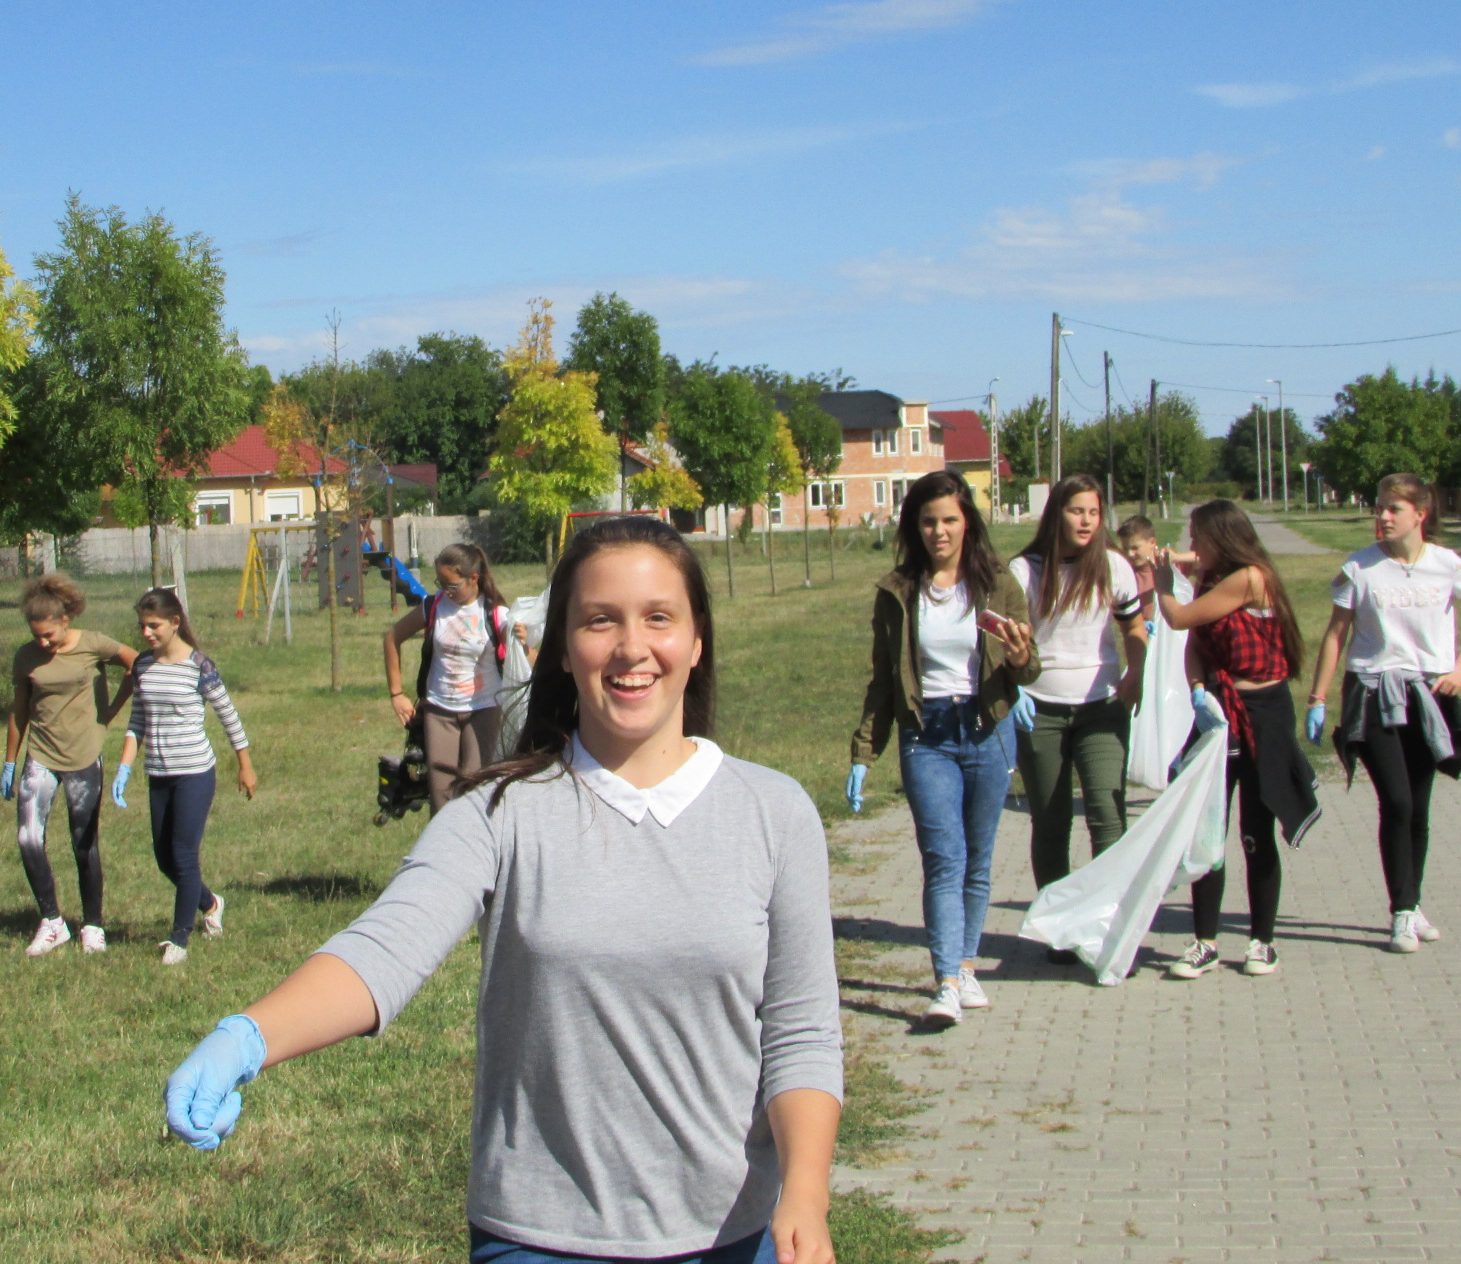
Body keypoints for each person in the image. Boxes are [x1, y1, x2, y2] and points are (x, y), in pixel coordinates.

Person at [167, 517, 844, 1264]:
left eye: (659, 617)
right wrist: (247, 1038)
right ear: (562, 649)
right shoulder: (498, 813)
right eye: (600, 620)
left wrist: (805, 1194)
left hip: (732, 1237)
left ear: (697, 640)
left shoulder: (773, 813)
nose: (631, 647)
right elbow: (384, 950)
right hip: (537, 1237)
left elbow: (801, 1033)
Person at [849, 471, 1039, 1028]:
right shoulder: (897, 592)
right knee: (943, 857)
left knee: (978, 858)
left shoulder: (998, 584)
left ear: (967, 523)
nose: (940, 532)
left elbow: (1030, 666)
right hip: (926, 734)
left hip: (986, 730)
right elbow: (883, 680)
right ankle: (947, 982)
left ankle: (966, 965)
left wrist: (1021, 657)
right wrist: (864, 751)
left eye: (950, 520)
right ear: (915, 526)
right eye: (929, 521)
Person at [1307, 473, 1461, 954]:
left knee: (1418, 805)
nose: (1384, 516)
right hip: (1373, 693)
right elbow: (1336, 634)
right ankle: (1401, 912)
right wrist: (1318, 698)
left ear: (1420, 514)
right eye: (1380, 506)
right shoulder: (1360, 567)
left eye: (1394, 508)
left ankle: (1411, 902)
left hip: (1428, 695)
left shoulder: (1446, 565)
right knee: (1396, 801)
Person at [1151, 501, 1322, 979]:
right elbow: (1194, 644)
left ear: (1220, 538)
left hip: (1264, 713)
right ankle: (1204, 942)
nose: (1192, 545)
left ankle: (1262, 941)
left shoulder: (1250, 577)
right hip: (1221, 710)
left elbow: (1179, 618)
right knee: (1207, 828)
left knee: (1255, 830)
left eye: (1197, 536)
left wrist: (1163, 586)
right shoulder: (1213, 577)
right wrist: (1198, 688)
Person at [1010, 476, 1149, 919]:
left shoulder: (1114, 566)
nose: (1086, 521)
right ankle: (1058, 924)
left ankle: (1106, 920)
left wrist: (1135, 673)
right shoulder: (1025, 570)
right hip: (1040, 712)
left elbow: (1134, 627)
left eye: (1093, 512)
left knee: (1107, 811)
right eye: (1076, 511)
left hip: (1103, 708)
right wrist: (1015, 687)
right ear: (1057, 514)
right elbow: (1006, 642)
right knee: (1051, 821)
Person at [111, 587, 258, 966]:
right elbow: (137, 720)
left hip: (194, 773)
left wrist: (244, 764)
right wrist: (124, 767)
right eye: (142, 626)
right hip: (158, 775)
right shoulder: (142, 666)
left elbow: (229, 716)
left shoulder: (199, 666)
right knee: (164, 859)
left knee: (183, 854)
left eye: (154, 625)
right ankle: (211, 903)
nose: (146, 633)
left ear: (175, 623)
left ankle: (179, 938)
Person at [0, 575, 135, 957]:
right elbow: (19, 709)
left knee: (83, 842)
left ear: (65, 619)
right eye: (36, 636)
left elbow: (135, 663)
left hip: (83, 756)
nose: (42, 643)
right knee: (28, 838)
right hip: (41, 755)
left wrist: (110, 710)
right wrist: (10, 761)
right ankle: (52, 922)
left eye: (48, 635)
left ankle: (93, 925)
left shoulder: (93, 644)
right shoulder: (26, 657)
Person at [383, 542, 531, 810]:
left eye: (451, 585)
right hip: (439, 710)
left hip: (484, 710)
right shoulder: (433, 606)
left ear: (473, 578)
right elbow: (392, 638)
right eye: (440, 584)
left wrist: (523, 640)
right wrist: (397, 694)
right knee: (441, 797)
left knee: (477, 791)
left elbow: (528, 658)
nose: (445, 591)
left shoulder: (496, 613)